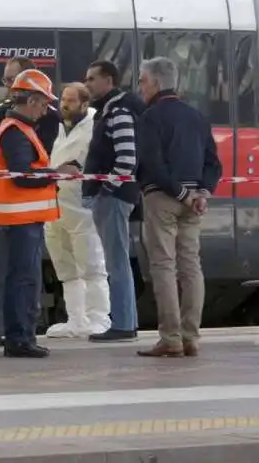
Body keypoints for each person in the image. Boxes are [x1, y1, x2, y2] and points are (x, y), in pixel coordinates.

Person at [0, 69, 79, 357]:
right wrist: (57, 173)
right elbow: (23, 176)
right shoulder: (16, 131)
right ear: (32, 99)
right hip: (20, 218)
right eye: (43, 103)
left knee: (23, 277)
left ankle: (22, 336)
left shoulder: (19, 128)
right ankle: (19, 338)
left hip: (23, 218)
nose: (45, 109)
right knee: (23, 278)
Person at [135, 57, 222, 357]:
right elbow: (213, 162)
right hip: (193, 202)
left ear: (156, 83)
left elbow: (152, 164)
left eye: (143, 81)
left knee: (163, 265)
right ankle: (191, 337)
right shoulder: (196, 116)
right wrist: (202, 193)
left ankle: (170, 338)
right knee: (191, 266)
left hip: (164, 197)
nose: (140, 87)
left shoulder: (150, 117)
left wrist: (182, 193)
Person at [82, 60, 144, 343]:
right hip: (116, 195)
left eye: (92, 78)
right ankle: (124, 321)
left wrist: (106, 188)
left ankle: (123, 323)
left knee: (117, 261)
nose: (87, 84)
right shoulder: (111, 110)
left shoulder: (118, 112)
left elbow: (127, 159)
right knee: (117, 260)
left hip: (115, 197)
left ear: (109, 80)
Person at [44, 83, 111, 338]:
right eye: (63, 100)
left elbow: (83, 163)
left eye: (70, 101)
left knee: (91, 264)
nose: (64, 105)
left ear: (85, 104)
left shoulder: (93, 127)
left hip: (82, 209)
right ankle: (76, 319)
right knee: (66, 266)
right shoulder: (62, 128)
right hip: (58, 207)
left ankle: (99, 318)